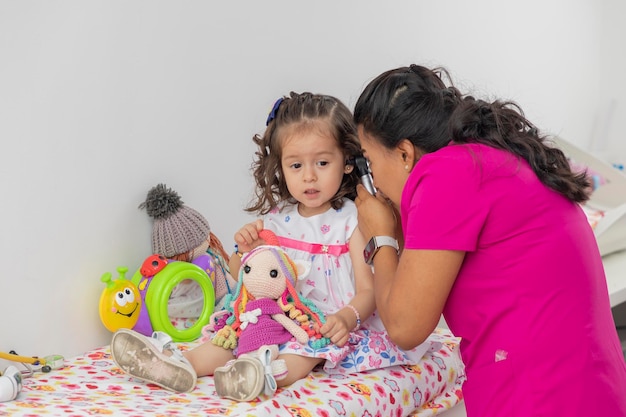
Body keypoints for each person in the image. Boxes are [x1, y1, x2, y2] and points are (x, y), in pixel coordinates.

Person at [110, 91, 436, 401]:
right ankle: (180, 365)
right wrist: (243, 249)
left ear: (347, 162)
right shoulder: (278, 220)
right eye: (296, 166)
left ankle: (261, 374)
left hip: (320, 324)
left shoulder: (353, 220)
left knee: (304, 352)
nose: (309, 177)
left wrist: (346, 318)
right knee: (234, 334)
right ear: (281, 167)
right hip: (271, 316)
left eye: (322, 163)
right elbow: (243, 279)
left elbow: (368, 291)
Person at [352, 64, 626, 416]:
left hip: (542, 397)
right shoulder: (487, 158)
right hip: (588, 387)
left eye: (372, 164)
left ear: (405, 154)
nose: (374, 179)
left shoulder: (444, 175)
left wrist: (380, 237)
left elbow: (405, 326)